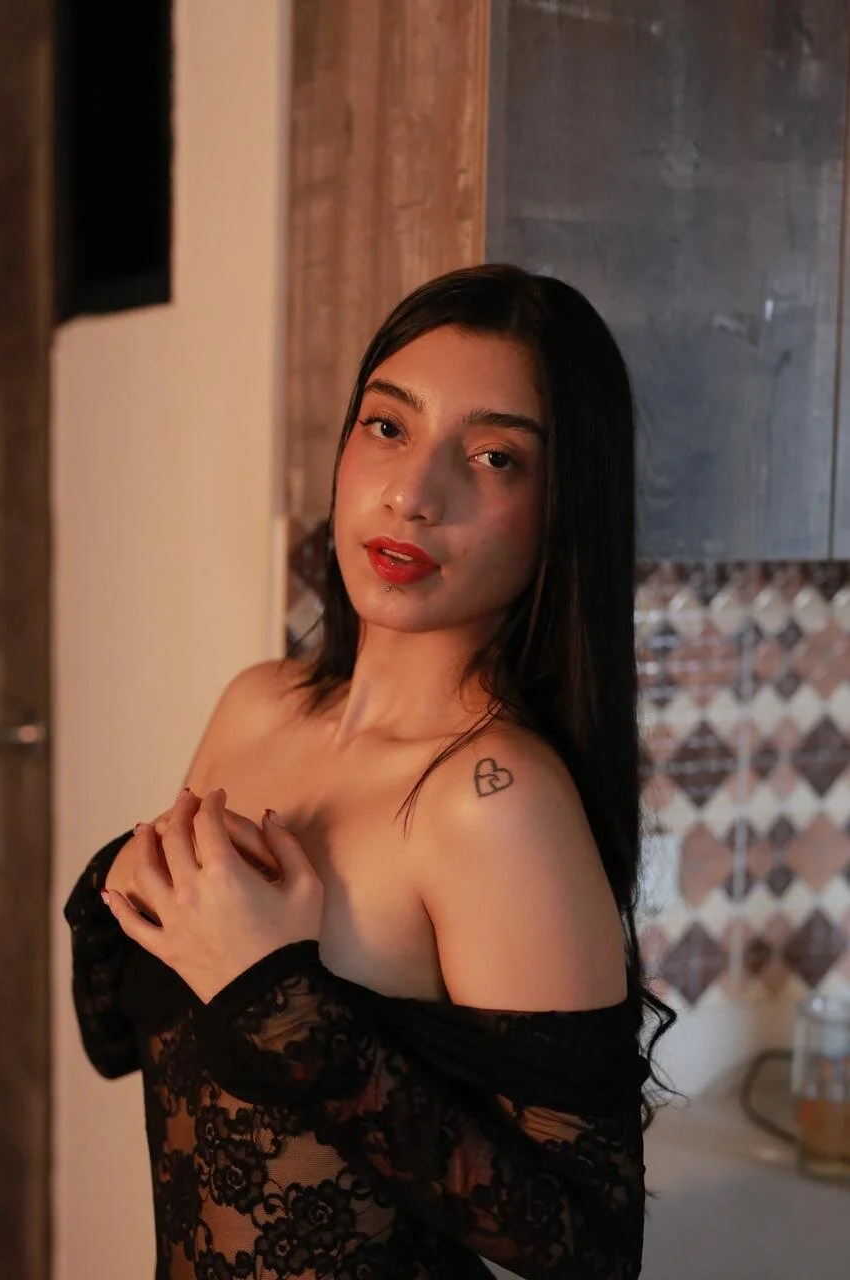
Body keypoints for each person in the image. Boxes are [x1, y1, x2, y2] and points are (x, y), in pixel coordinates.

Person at [64, 263, 676, 1279]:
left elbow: (590, 1247)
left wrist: (278, 991)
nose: (413, 493)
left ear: (562, 507)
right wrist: (128, 883)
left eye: (493, 457)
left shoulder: (492, 798)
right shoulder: (257, 702)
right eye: (388, 426)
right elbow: (119, 1041)